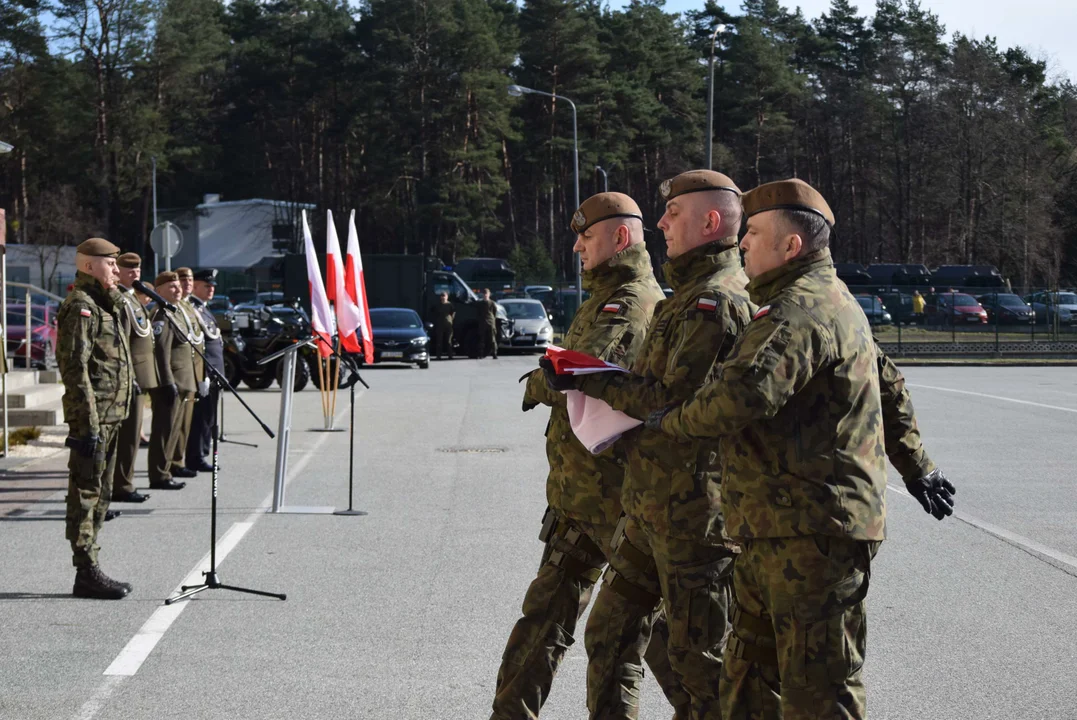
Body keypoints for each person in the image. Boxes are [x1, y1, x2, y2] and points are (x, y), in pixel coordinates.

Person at [642, 179, 955, 720]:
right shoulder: (834, 301)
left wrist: (670, 422)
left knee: (818, 692)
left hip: (811, 536)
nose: (742, 244)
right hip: (777, 530)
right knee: (746, 685)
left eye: (755, 234)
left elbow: (740, 397)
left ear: (791, 247)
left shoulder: (798, 311)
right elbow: (891, 385)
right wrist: (917, 466)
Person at [542, 170, 754, 719]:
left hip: (694, 515)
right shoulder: (687, 295)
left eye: (673, 214)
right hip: (649, 506)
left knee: (699, 665)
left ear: (710, 221)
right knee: (610, 636)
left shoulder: (715, 300)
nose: (660, 224)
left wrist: (587, 377)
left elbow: (669, 400)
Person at [491, 192, 683, 720]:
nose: (577, 246)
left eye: (586, 236)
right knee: (542, 622)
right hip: (580, 499)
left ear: (620, 238)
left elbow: (592, 375)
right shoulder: (602, 296)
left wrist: (539, 382)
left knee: (654, 640)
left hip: (616, 502)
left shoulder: (633, 303)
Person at [57, 237, 134, 599]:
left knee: (102, 493)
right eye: (111, 265)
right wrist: (86, 423)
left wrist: (115, 292)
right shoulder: (80, 306)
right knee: (86, 493)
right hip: (94, 417)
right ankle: (86, 570)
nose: (117, 271)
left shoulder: (106, 304)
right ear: (89, 266)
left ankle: (91, 564)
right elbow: (75, 369)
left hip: (112, 414)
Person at [111, 252, 156, 504]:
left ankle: (125, 483)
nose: (135, 274)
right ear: (118, 270)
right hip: (128, 377)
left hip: (138, 375)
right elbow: (123, 343)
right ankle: (122, 486)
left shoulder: (133, 298)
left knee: (132, 435)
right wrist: (130, 376)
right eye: (130, 271)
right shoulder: (119, 299)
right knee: (127, 436)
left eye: (138, 270)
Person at [147, 271, 190, 491]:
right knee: (164, 429)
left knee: (173, 430)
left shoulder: (175, 311)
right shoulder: (161, 315)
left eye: (178, 286)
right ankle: (159, 475)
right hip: (170, 380)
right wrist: (166, 382)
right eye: (171, 287)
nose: (177, 289)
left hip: (182, 380)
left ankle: (166, 470)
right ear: (159, 291)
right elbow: (161, 351)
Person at [185, 268, 224, 472]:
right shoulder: (192, 309)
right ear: (196, 286)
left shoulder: (203, 309)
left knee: (208, 417)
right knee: (200, 418)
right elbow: (199, 345)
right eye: (207, 286)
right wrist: (204, 375)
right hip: (204, 373)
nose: (211, 290)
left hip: (213, 373)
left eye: (213, 286)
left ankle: (203, 452)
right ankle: (196, 456)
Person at [169, 267, 205, 479]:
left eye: (190, 279)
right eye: (183, 280)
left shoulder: (187, 306)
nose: (186, 284)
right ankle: (171, 464)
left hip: (192, 371)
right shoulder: (172, 309)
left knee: (185, 423)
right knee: (174, 424)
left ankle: (178, 461)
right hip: (179, 373)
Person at [431, 292, 455, 359]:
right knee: (439, 341)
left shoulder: (450, 305)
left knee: (449, 341)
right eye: (442, 296)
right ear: (440, 297)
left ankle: (450, 356)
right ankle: (438, 356)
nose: (443, 297)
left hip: (448, 325)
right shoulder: (438, 305)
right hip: (439, 325)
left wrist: (451, 319)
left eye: (444, 296)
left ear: (447, 297)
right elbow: (433, 312)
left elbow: (453, 312)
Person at [479, 288, 498, 359]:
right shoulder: (480, 303)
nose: (485, 295)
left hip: (490, 322)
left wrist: (492, 319)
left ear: (489, 294)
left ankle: (494, 353)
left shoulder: (492, 303)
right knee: (482, 339)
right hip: (483, 322)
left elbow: (494, 312)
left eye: (486, 294)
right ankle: (481, 354)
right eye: (484, 294)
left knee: (492, 339)